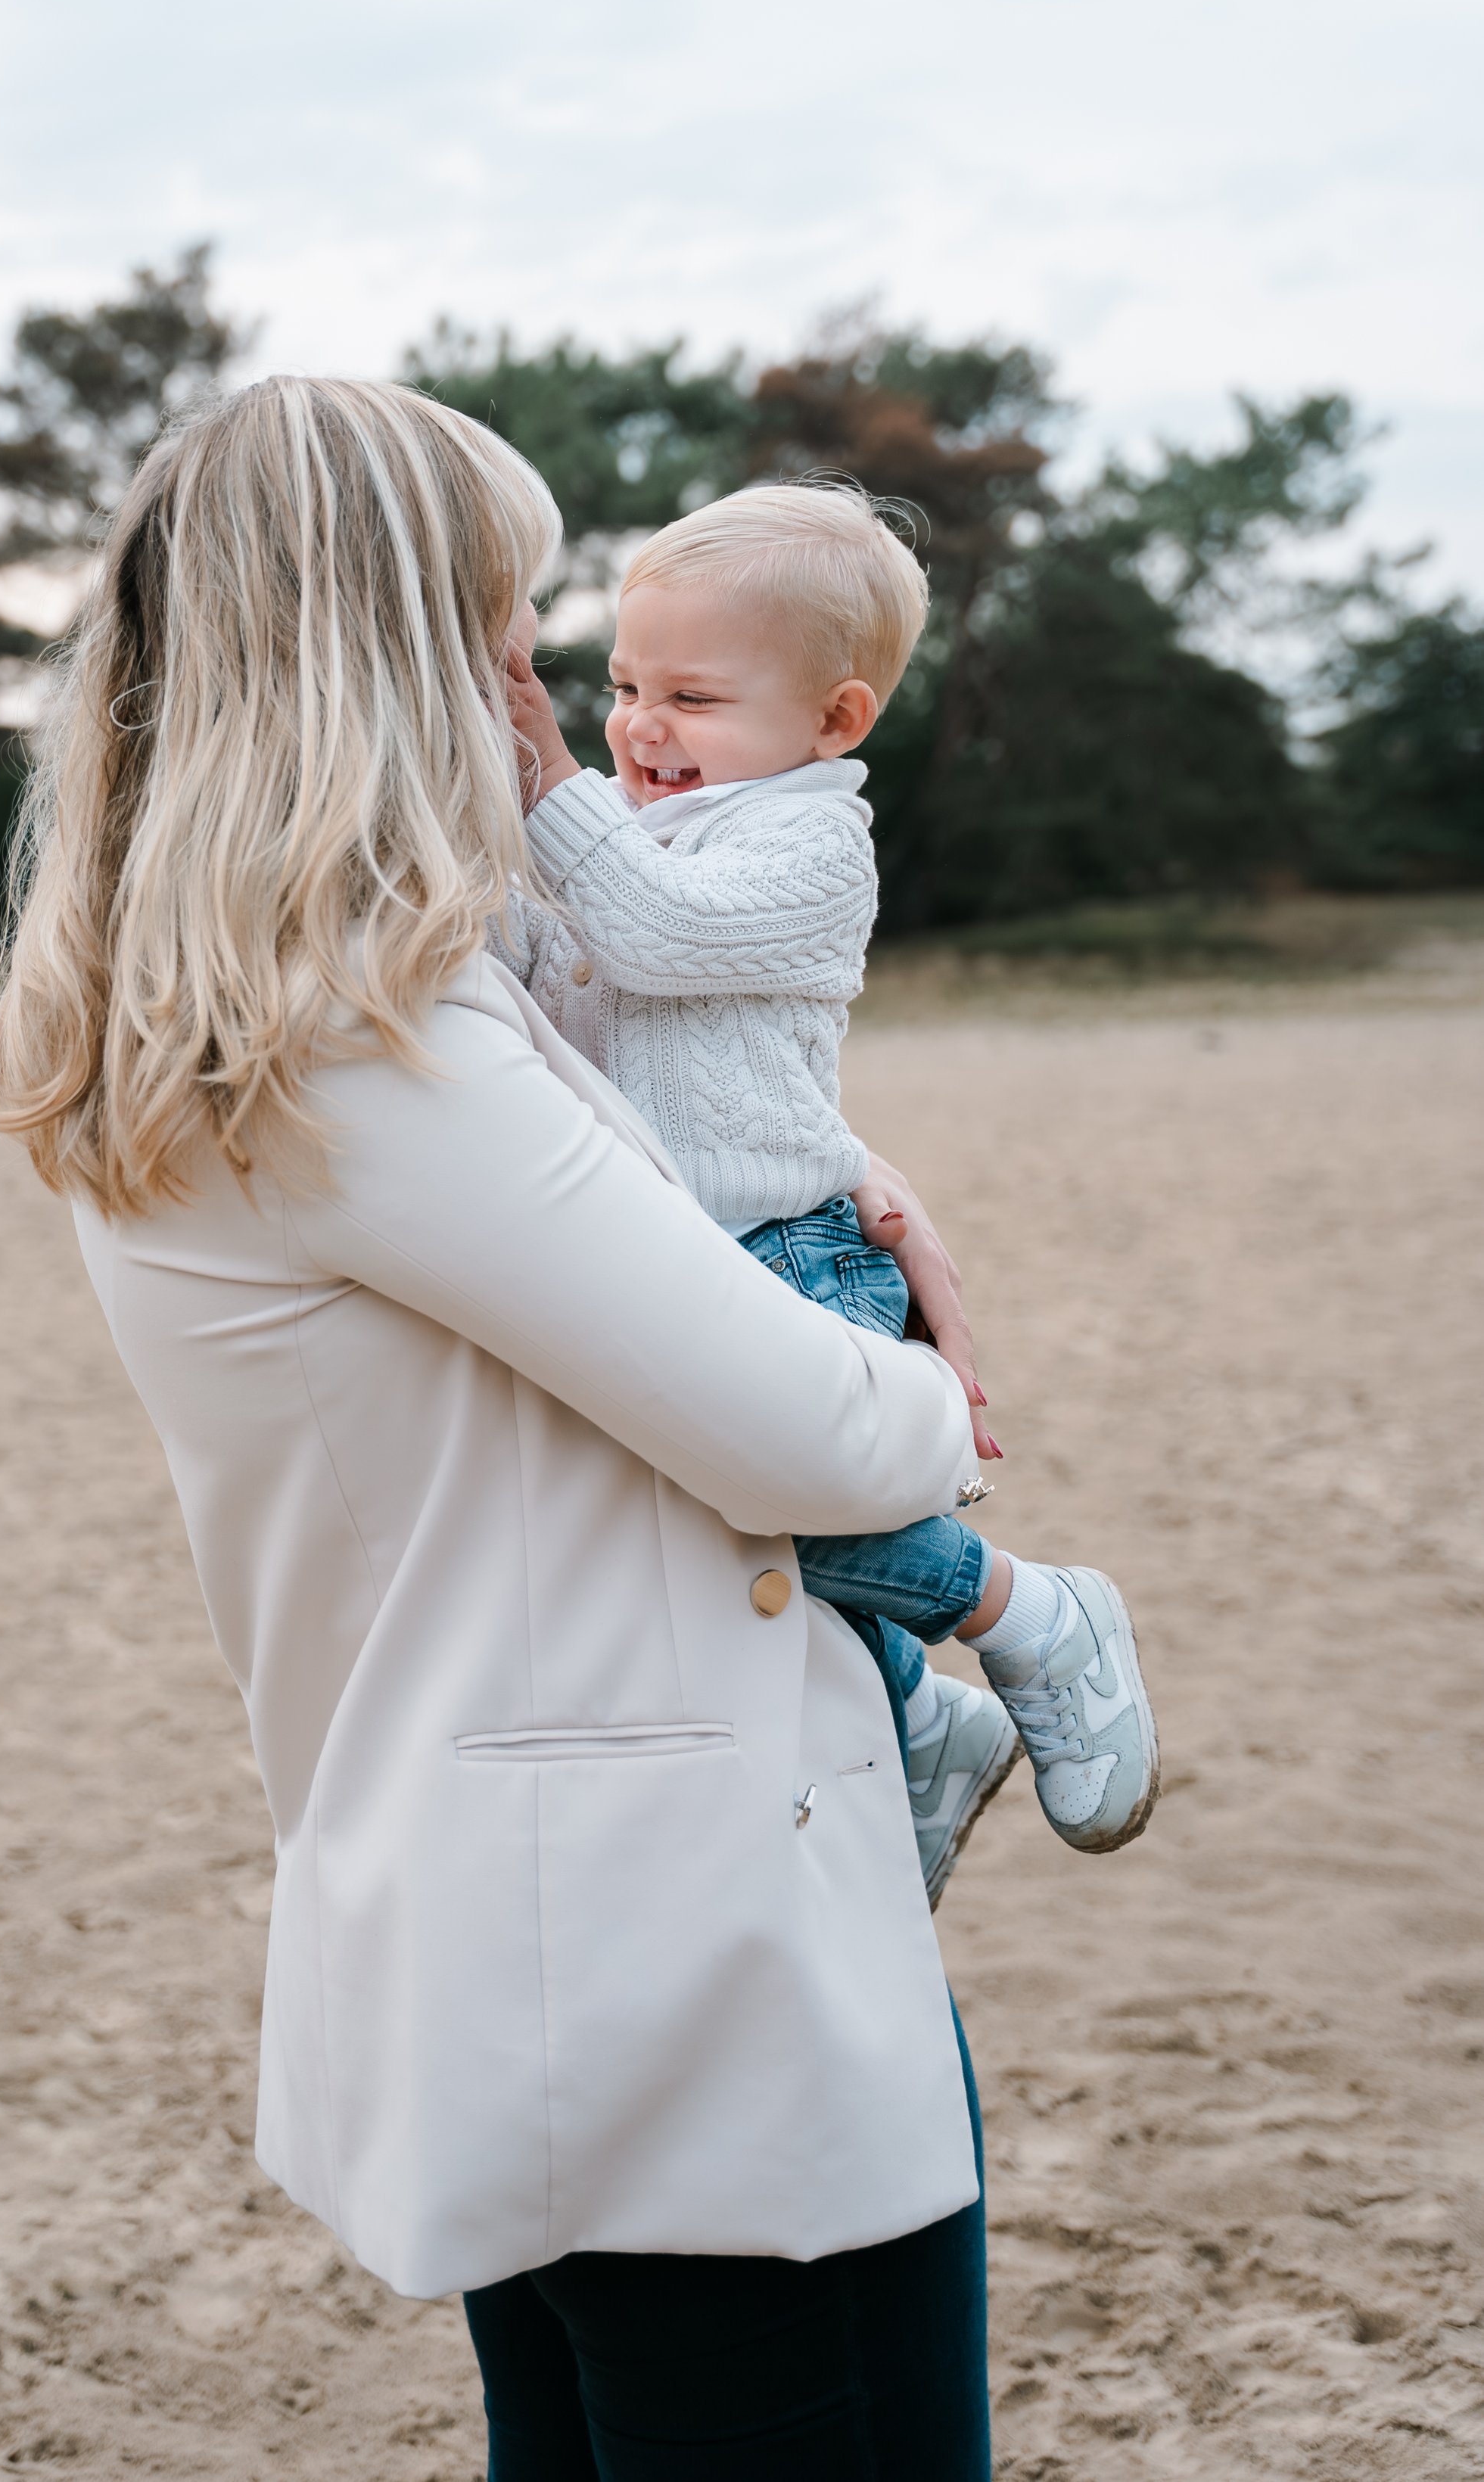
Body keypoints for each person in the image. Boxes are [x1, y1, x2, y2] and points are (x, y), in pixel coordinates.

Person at [0, 378, 994, 2475]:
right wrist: (930, 1374)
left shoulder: (228, 1010)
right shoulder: (368, 1045)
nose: (532, 687)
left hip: (539, 1916)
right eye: (498, 626)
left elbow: (646, 1157)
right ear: (382, 660)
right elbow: (817, 1435)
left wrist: (859, 1180)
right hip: (662, 1953)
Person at [496, 482, 1160, 1899]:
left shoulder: (811, 846)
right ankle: (923, 1724)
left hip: (788, 1242)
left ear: (835, 721)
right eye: (620, 686)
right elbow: (562, 966)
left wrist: (546, 783)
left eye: (689, 694)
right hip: (683, 1239)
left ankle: (1030, 1609)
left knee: (767, 1498)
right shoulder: (635, 825)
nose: (636, 725)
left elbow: (656, 937)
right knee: (723, 1528)